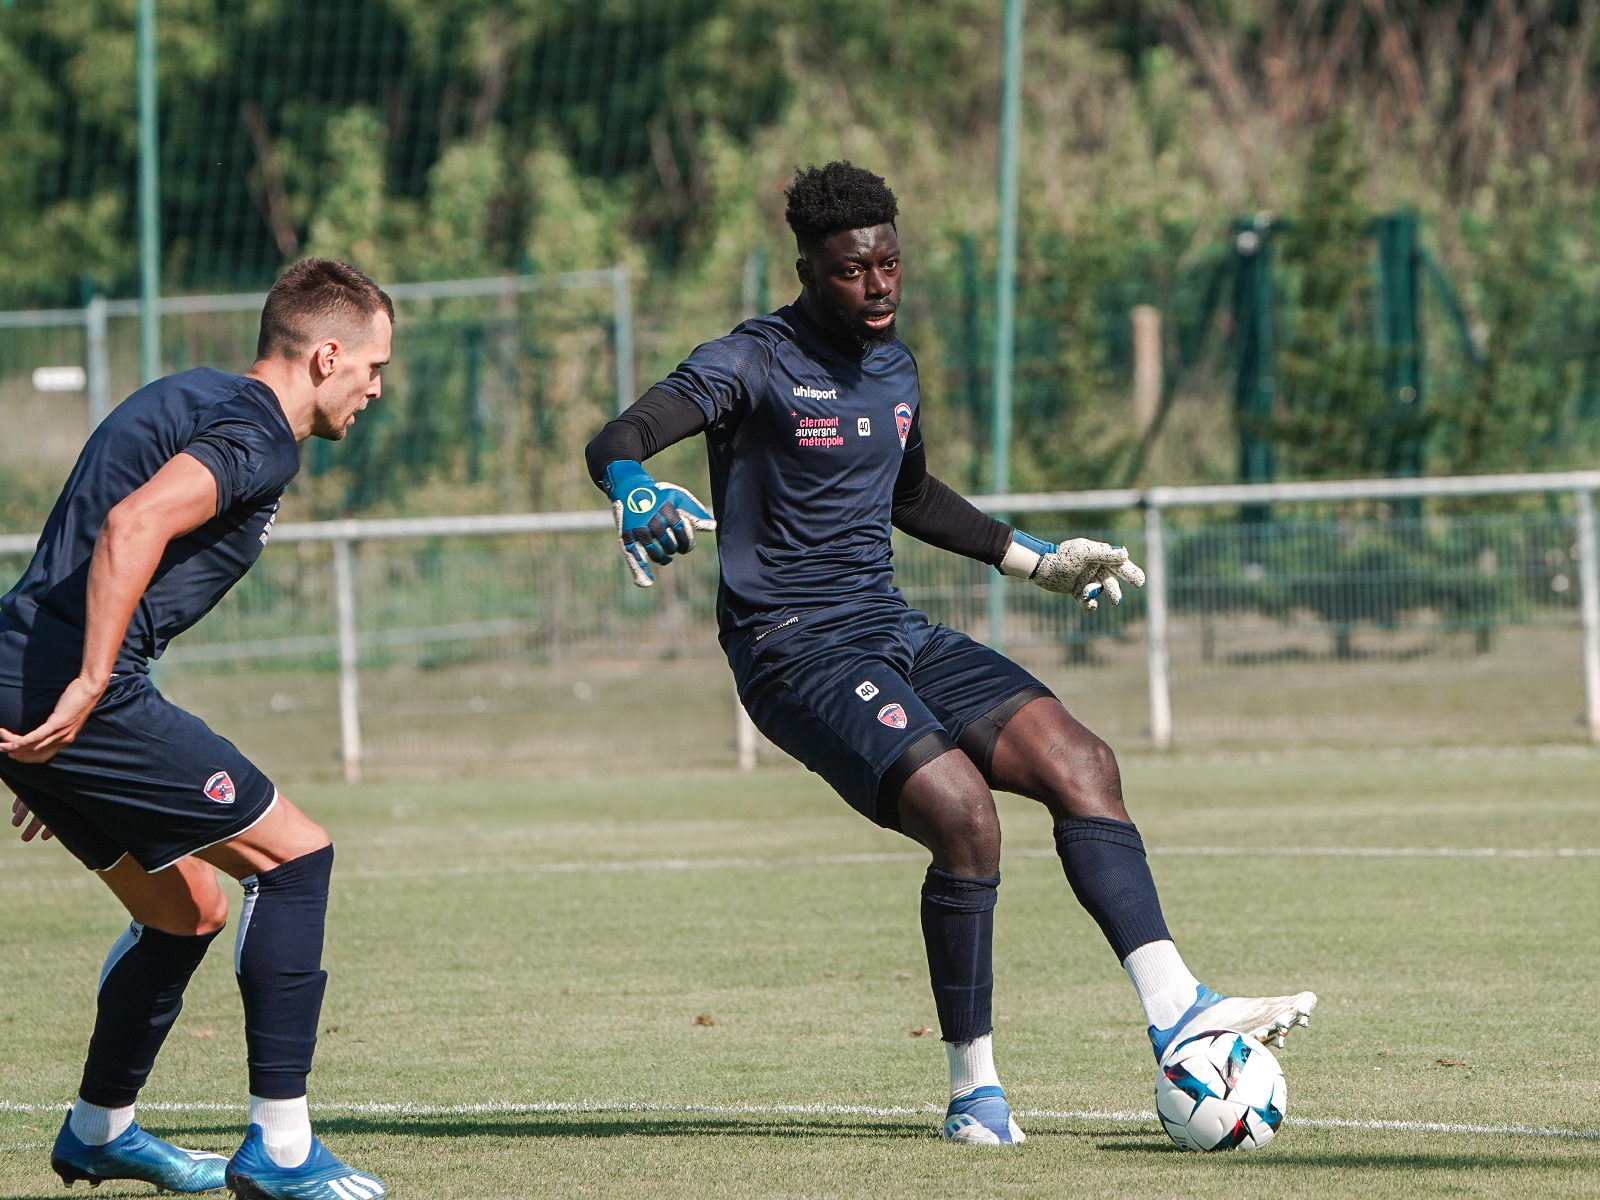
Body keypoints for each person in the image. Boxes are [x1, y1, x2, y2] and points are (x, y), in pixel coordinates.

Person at [584, 162, 1316, 1145]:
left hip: (891, 628)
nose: (879, 284)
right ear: (807, 269)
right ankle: (974, 1091)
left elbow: (909, 495)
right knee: (964, 818)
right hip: (790, 650)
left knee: (1082, 762)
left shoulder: (896, 368)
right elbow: (620, 432)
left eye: (891, 263)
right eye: (852, 270)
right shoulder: (749, 360)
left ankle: (1176, 1005)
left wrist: (1036, 562)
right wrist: (632, 485)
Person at [3, 258, 390, 1197]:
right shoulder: (260, 436)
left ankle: (100, 1130)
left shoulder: (199, 396)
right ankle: (283, 1149)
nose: (376, 387)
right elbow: (131, 526)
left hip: (19, 674)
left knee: (186, 910)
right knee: (295, 857)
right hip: (70, 683)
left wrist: (70, 753)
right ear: (325, 354)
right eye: (373, 367)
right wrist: (92, 686)